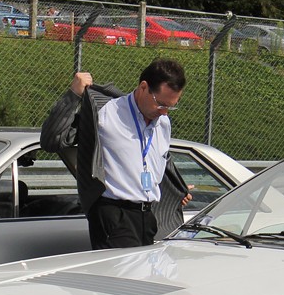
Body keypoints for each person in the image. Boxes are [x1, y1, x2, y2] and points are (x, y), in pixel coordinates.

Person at [60, 59, 188, 249]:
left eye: (171, 106)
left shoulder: (163, 123)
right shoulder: (106, 112)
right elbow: (54, 139)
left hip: (148, 216)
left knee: (145, 277)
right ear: (143, 87)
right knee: (122, 275)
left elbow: (158, 161)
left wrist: (177, 190)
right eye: (160, 104)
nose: (164, 112)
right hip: (114, 215)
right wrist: (73, 96)